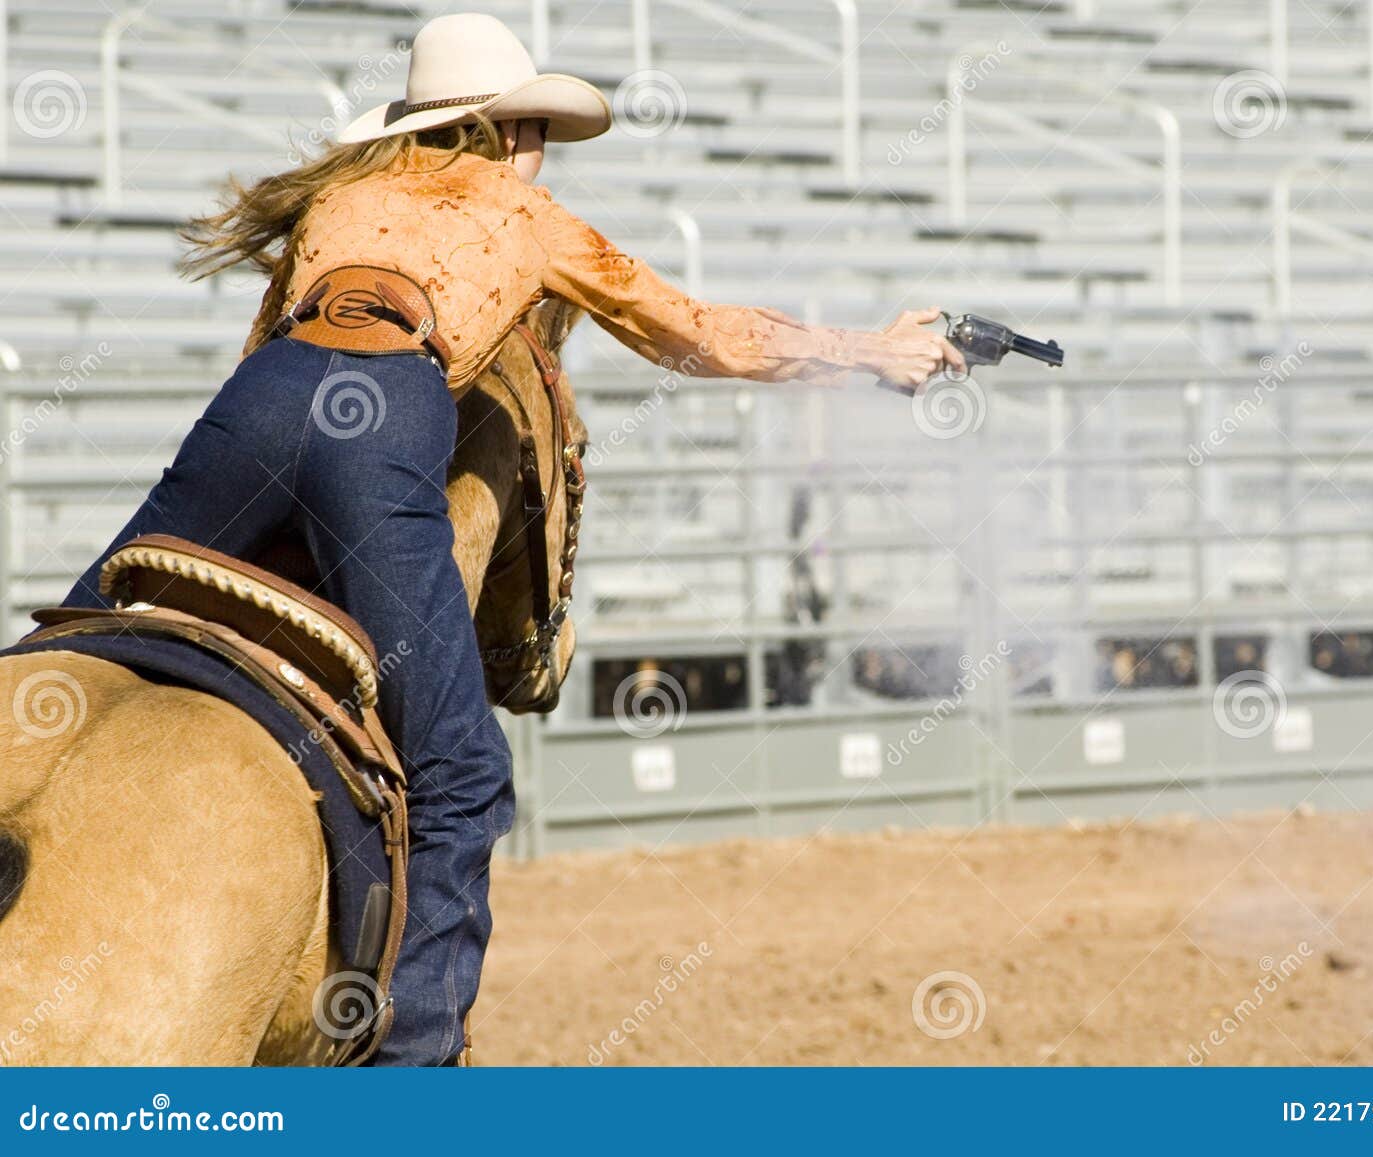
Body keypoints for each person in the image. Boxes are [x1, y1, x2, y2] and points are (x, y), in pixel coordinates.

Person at [59, 12, 963, 1065]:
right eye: (531, 126)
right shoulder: (525, 216)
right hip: (384, 417)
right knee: (461, 765)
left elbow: (270, 347)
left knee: (81, 632)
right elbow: (695, 332)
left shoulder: (340, 200)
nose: (538, 151)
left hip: (256, 404)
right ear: (496, 133)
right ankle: (416, 1068)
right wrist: (868, 350)